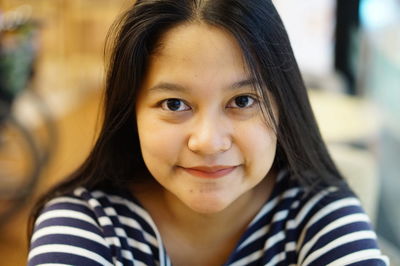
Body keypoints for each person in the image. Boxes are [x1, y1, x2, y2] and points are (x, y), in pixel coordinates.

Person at [27, 0, 389, 265]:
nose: (208, 142)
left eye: (243, 100)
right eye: (174, 104)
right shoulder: (84, 225)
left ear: (283, 107)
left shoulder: (322, 215)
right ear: (130, 112)